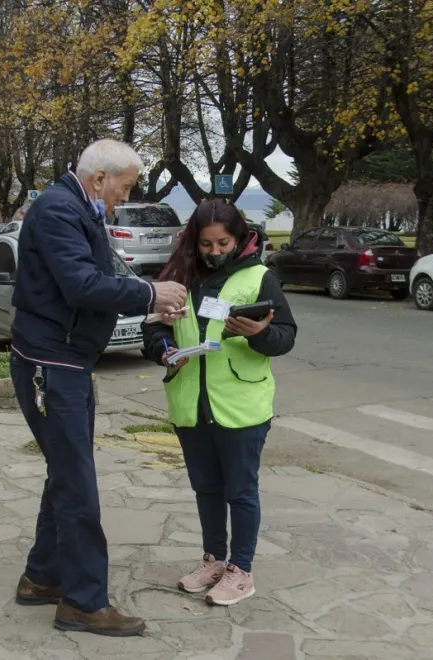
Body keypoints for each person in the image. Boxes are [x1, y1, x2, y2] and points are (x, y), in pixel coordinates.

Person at [9, 139, 187, 636]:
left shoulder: (74, 206)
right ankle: (83, 602)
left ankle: (43, 578)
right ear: (99, 179)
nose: (123, 196)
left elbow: (91, 287)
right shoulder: (59, 210)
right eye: (124, 186)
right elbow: (82, 285)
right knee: (78, 486)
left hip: (63, 361)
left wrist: (149, 308)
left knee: (66, 475)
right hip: (52, 366)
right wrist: (151, 290)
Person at [142, 200, 297, 606]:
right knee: (205, 488)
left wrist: (258, 333)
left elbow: (285, 338)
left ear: (240, 238)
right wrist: (162, 347)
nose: (214, 252)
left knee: (240, 491)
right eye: (206, 244)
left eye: (223, 242)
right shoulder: (178, 277)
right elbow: (151, 332)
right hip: (190, 402)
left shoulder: (260, 277)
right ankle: (213, 560)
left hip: (240, 405)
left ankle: (241, 571)